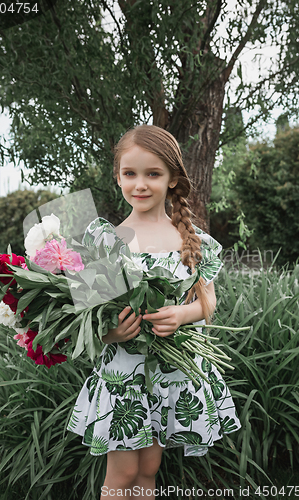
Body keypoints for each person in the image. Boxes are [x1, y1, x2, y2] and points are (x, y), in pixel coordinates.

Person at [67, 125, 241, 499]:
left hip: (170, 371)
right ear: (117, 178)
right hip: (124, 371)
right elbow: (84, 316)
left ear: (173, 179)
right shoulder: (104, 239)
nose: (140, 184)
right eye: (130, 174)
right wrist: (111, 333)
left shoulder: (192, 239)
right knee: (123, 471)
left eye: (153, 174)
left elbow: (207, 302)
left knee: (148, 469)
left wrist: (182, 315)